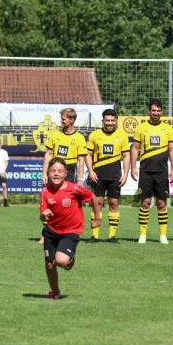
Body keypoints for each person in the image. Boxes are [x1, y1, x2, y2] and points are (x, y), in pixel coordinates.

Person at [40, 158, 101, 299]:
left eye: (60, 171)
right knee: (50, 264)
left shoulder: (74, 189)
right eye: (53, 171)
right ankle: (55, 291)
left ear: (65, 173)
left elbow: (92, 197)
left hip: (70, 231)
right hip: (51, 231)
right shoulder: (44, 192)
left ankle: (70, 259)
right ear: (48, 173)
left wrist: (97, 219)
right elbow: (42, 217)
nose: (56, 174)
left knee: (61, 261)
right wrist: (43, 216)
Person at [130, 99, 173, 245]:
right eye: (153, 110)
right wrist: (133, 167)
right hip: (145, 171)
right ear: (149, 111)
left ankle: (163, 235)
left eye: (158, 110)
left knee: (162, 204)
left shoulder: (167, 128)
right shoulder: (141, 128)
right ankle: (142, 235)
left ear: (161, 112)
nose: (156, 113)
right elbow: (135, 148)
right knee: (145, 203)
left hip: (162, 172)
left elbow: (172, 149)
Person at [85, 108, 130, 243]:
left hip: (115, 176)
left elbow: (126, 155)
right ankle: (95, 235)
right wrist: (91, 171)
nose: (109, 123)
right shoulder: (94, 135)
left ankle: (112, 236)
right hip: (98, 176)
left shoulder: (122, 136)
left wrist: (126, 174)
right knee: (97, 204)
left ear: (116, 120)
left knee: (114, 203)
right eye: (107, 120)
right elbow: (88, 154)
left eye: (112, 120)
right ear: (102, 121)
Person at [42, 108, 87, 185]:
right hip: (54, 168)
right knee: (52, 195)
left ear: (71, 120)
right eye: (61, 119)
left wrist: (80, 180)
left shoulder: (80, 138)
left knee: (67, 196)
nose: (61, 121)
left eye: (63, 119)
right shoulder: (54, 134)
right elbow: (48, 154)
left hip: (69, 170)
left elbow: (81, 161)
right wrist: (44, 174)